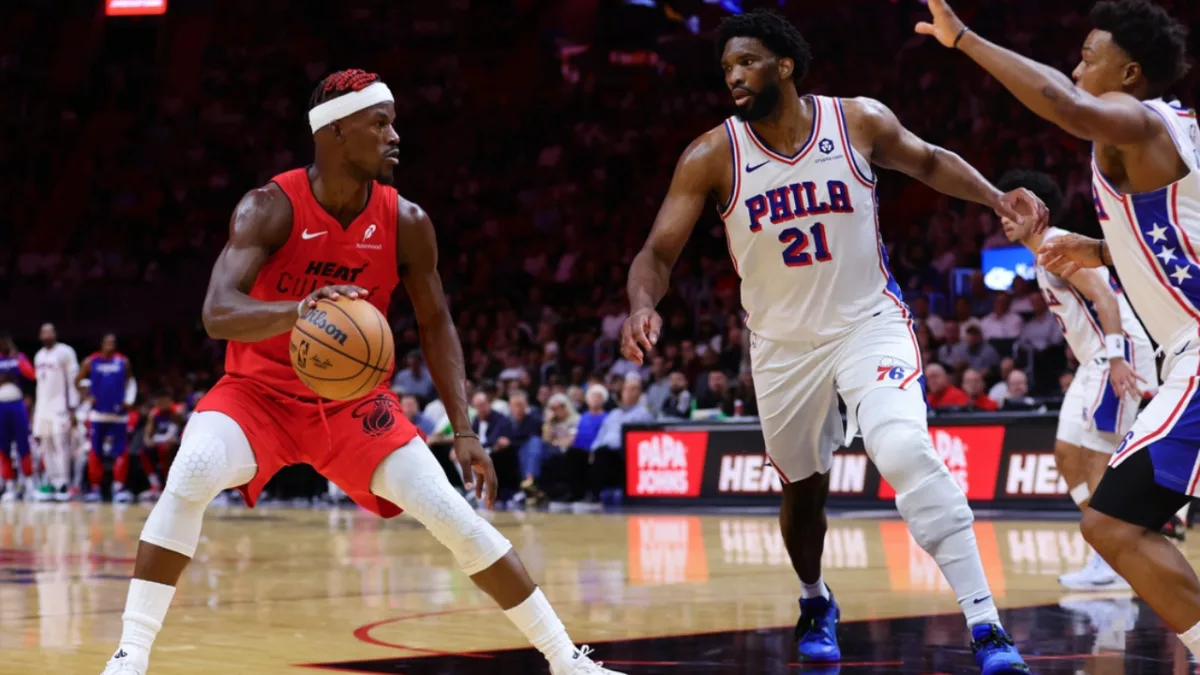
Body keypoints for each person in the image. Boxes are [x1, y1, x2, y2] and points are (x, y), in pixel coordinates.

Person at [99, 69, 620, 675]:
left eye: (393, 122)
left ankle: (566, 661)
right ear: (337, 133)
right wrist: (302, 310)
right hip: (257, 394)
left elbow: (437, 324)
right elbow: (217, 313)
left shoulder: (407, 221)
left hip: (354, 404)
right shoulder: (268, 206)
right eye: (381, 123)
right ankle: (130, 655)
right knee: (189, 470)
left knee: (451, 512)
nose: (395, 135)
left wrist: (466, 429)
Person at [620, 10, 1042, 673]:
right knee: (804, 496)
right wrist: (642, 303)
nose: (732, 75)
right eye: (726, 67)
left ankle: (987, 624)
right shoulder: (712, 154)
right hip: (783, 348)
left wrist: (995, 198)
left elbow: (929, 161)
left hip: (866, 322)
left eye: (746, 62)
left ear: (784, 66)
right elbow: (656, 252)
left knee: (903, 448)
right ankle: (815, 597)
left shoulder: (857, 121)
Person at [919, 0, 1200, 652]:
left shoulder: (1136, 121)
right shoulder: (1173, 129)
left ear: (1129, 73)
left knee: (1111, 522)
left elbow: (1064, 105)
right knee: (1113, 519)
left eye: (1088, 56)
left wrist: (963, 39)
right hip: (1181, 344)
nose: (1075, 66)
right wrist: (1101, 251)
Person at [1000, 169, 1158, 590]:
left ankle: (1110, 558)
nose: (1004, 215)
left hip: (1117, 355)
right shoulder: (1041, 255)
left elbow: (1106, 298)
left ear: (1038, 209)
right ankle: (1110, 540)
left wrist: (1117, 359)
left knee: (1096, 455)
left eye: (1015, 207)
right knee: (1067, 453)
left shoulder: (1056, 245)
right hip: (1093, 364)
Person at [77, 333, 137, 503]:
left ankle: (118, 487)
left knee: (121, 451)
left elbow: (131, 381)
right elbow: (78, 380)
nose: (110, 345)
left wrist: (129, 400)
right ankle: (95, 488)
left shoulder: (123, 361)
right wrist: (87, 396)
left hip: (119, 415)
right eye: (107, 342)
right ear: (101, 344)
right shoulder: (91, 361)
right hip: (98, 414)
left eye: (113, 342)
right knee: (95, 451)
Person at [33, 323, 79, 502]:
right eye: (43, 332)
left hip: (60, 406)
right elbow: (39, 386)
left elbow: (72, 380)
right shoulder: (38, 355)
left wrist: (73, 408)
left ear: (56, 333)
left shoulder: (65, 352)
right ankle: (52, 481)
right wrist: (36, 412)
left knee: (61, 445)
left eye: (49, 331)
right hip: (43, 408)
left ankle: (64, 483)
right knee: (46, 446)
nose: (46, 334)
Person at [0, 333, 35, 502]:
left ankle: (29, 484)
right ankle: (9, 485)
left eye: (8, 342)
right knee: (3, 446)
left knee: (23, 444)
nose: (5, 345)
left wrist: (17, 360)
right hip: (1, 405)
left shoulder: (19, 357)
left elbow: (31, 374)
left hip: (17, 404)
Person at [140, 391, 185, 503]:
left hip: (178, 441)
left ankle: (168, 484)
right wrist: (148, 440)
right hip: (161, 440)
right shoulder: (155, 413)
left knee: (164, 450)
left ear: (169, 401)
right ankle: (155, 485)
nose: (160, 404)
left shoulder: (177, 410)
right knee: (143, 451)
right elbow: (148, 433)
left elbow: (174, 433)